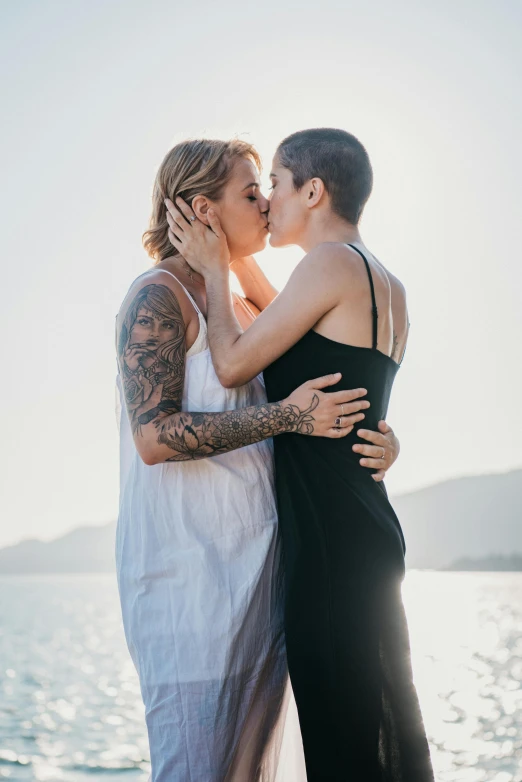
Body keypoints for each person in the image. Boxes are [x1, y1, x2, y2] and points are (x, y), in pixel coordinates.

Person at [115, 138, 401, 782]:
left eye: (268, 186)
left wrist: (381, 435)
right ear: (201, 211)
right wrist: (286, 415)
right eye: (251, 194)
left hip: (264, 581)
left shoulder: (242, 306)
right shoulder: (156, 298)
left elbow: (333, 366)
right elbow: (154, 437)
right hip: (190, 587)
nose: (267, 205)